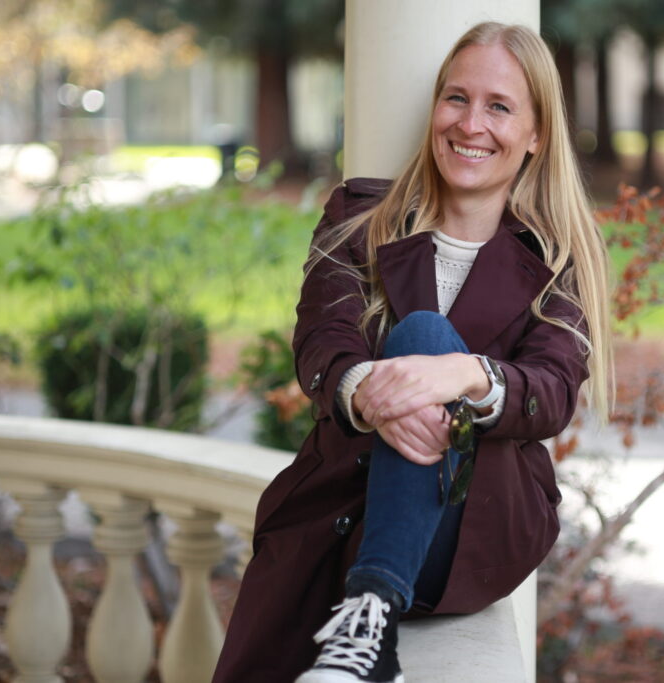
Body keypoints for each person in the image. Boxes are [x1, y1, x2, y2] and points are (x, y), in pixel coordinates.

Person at [212, 21, 613, 683]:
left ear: (537, 134)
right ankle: (363, 627)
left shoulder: (560, 254)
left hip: (474, 520)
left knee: (426, 335)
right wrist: (371, 393)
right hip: (341, 504)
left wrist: (460, 374)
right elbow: (322, 342)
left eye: (500, 107)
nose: (470, 123)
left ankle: (368, 623)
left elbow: (552, 390)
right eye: (456, 98)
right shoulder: (358, 217)